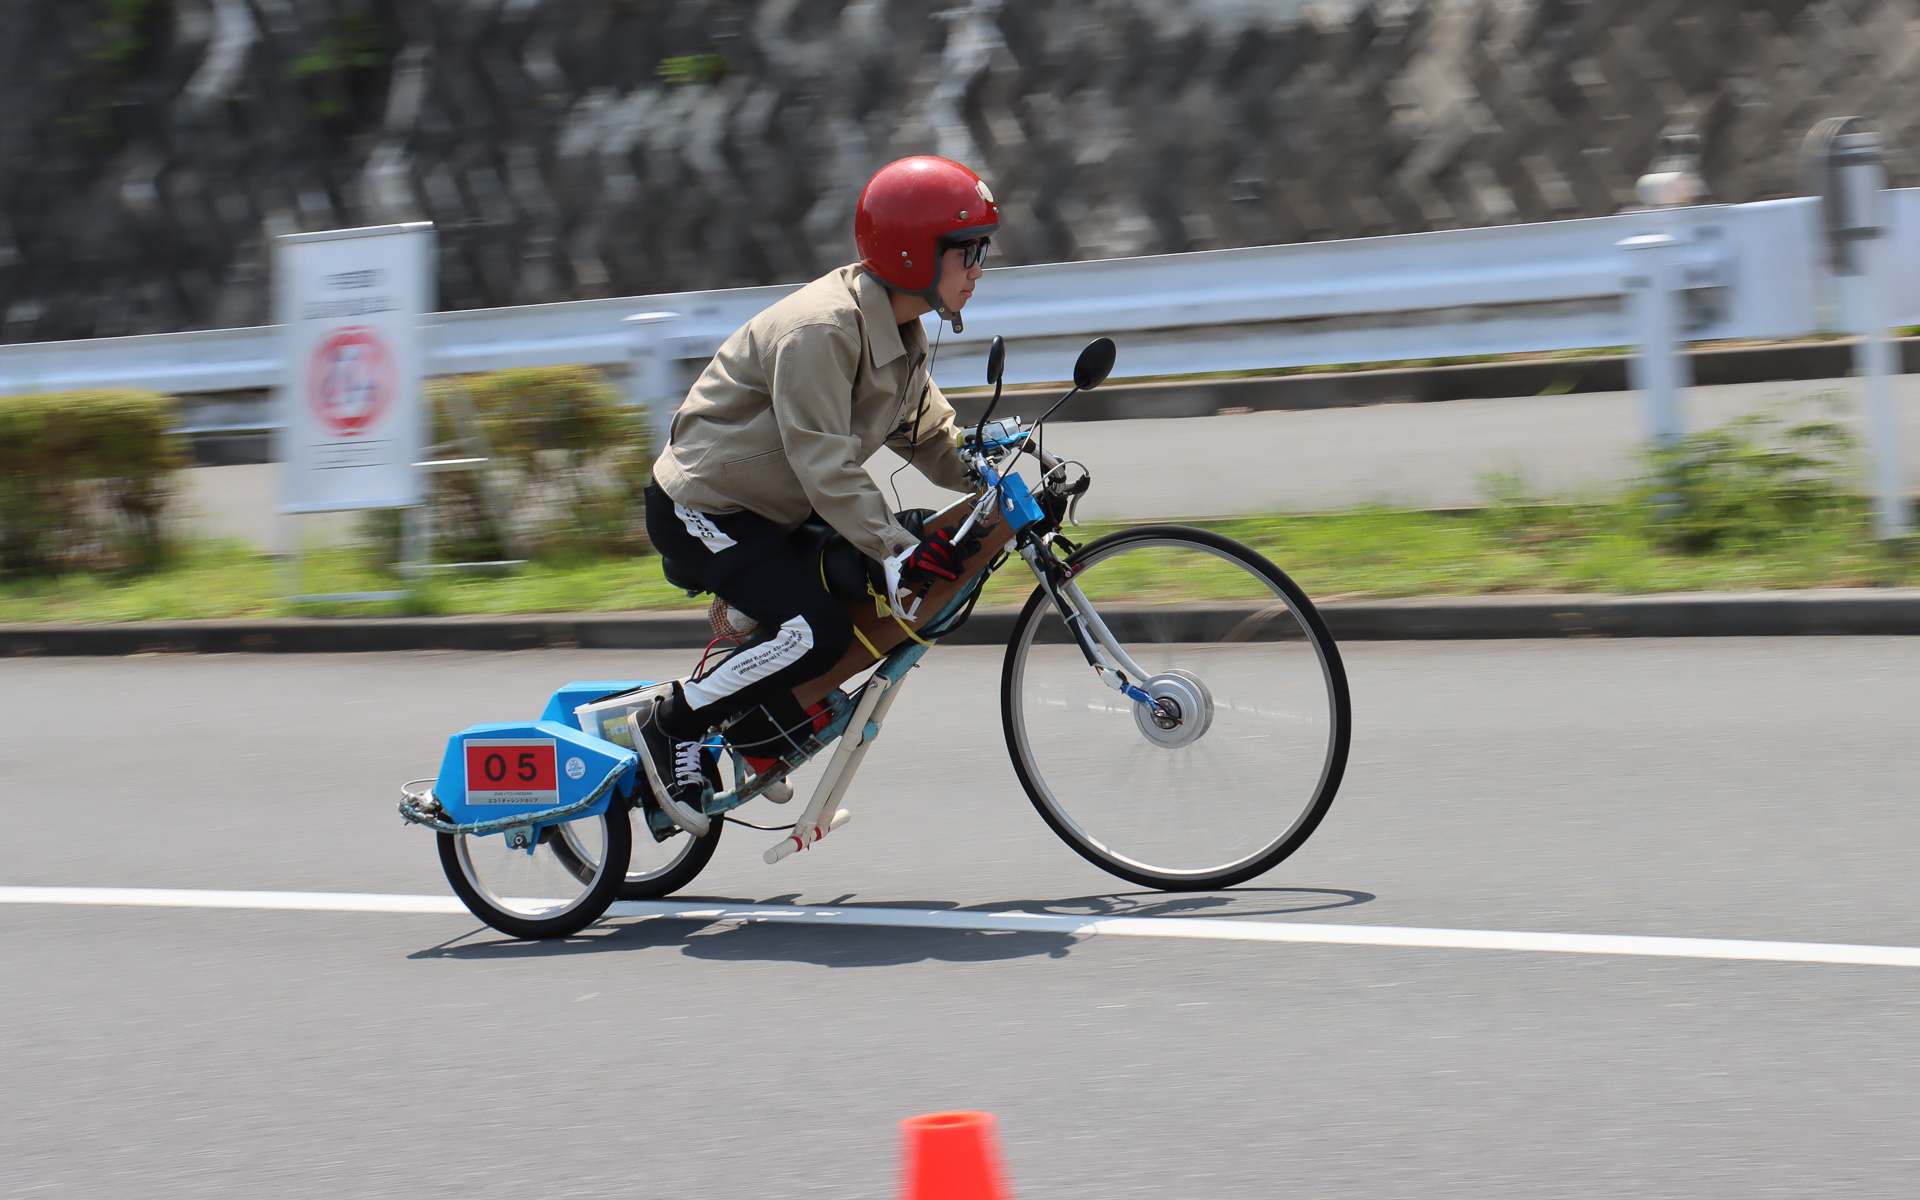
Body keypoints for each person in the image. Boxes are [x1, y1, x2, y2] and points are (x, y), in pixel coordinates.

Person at [631, 155, 999, 834]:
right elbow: (824, 461)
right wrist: (895, 550)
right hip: (703, 508)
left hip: (775, 513)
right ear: (916, 252)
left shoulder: (903, 332)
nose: (979, 269)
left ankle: (753, 728)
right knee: (814, 631)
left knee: (867, 583)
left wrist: (991, 470)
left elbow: (927, 438)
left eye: (982, 251)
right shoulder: (821, 331)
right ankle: (671, 720)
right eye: (968, 252)